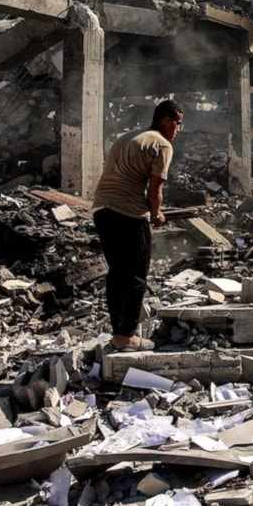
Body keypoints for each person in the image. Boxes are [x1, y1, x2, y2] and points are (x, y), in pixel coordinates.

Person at [92, 99, 184, 352]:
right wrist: (156, 214)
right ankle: (127, 336)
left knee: (117, 273)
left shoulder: (127, 137)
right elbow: (155, 191)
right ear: (165, 121)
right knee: (135, 275)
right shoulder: (162, 144)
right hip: (129, 213)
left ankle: (117, 332)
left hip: (102, 209)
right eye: (177, 124)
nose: (177, 130)